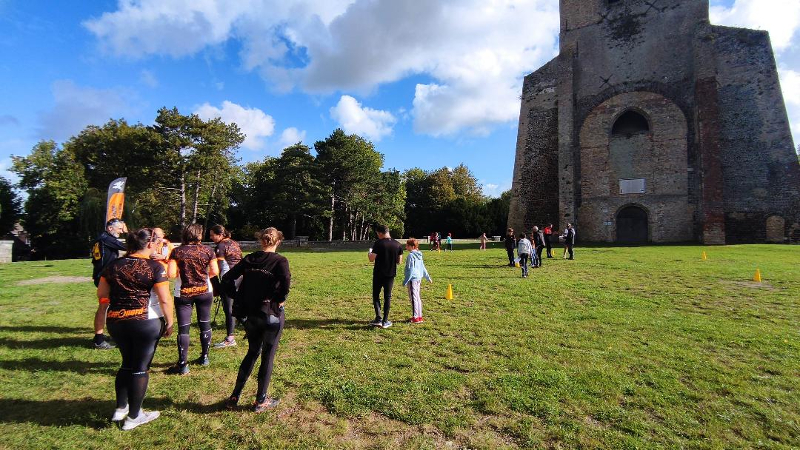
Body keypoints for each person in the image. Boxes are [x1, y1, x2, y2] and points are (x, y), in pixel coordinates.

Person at [97, 228, 173, 430]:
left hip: (116, 320)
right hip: (144, 321)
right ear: (149, 244)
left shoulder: (112, 266)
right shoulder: (155, 267)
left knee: (126, 363)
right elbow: (165, 298)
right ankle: (134, 415)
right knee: (141, 366)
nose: (157, 246)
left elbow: (102, 294)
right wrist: (170, 321)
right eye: (156, 243)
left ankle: (120, 407)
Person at [221, 227, 289, 412]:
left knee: (252, 352)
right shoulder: (280, 261)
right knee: (267, 356)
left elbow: (227, 279)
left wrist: (237, 296)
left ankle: (234, 396)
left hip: (251, 315)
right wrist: (280, 301)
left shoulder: (249, 258)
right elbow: (285, 285)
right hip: (271, 315)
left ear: (261, 240)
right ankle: (260, 400)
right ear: (278, 241)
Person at [166, 224, 219, 375]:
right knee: (205, 323)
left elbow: (170, 273)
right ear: (199, 236)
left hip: (183, 292)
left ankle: (183, 364)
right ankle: (205, 357)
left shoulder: (177, 251)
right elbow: (215, 271)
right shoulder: (208, 250)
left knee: (184, 328)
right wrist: (203, 277)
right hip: (204, 290)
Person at [91, 218, 127, 350]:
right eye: (119, 229)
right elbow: (128, 247)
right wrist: (128, 233)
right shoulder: (107, 239)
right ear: (110, 228)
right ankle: (99, 340)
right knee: (104, 306)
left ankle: (102, 336)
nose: (121, 231)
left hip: (102, 277)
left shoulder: (102, 238)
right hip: (104, 280)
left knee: (107, 306)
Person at [209, 225, 243, 349]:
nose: (211, 237)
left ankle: (230, 338)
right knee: (237, 306)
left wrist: (219, 284)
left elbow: (222, 267)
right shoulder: (234, 243)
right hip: (240, 277)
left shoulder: (221, 246)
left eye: (213, 235)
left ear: (220, 234)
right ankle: (253, 330)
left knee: (229, 309)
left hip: (229, 279)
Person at [368, 224, 403, 329]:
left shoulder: (378, 243)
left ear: (380, 233)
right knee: (387, 297)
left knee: (376, 296)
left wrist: (369, 253)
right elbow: (399, 261)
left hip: (378, 273)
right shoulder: (398, 244)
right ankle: (385, 321)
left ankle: (378, 318)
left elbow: (371, 259)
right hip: (390, 274)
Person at [402, 238, 432, 323]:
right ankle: (419, 316)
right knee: (417, 297)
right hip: (418, 278)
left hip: (413, 279)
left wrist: (406, 280)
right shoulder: (419, 255)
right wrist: (427, 277)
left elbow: (410, 269)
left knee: (413, 298)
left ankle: (415, 317)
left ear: (412, 246)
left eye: (407, 245)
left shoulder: (410, 255)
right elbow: (423, 267)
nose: (406, 246)